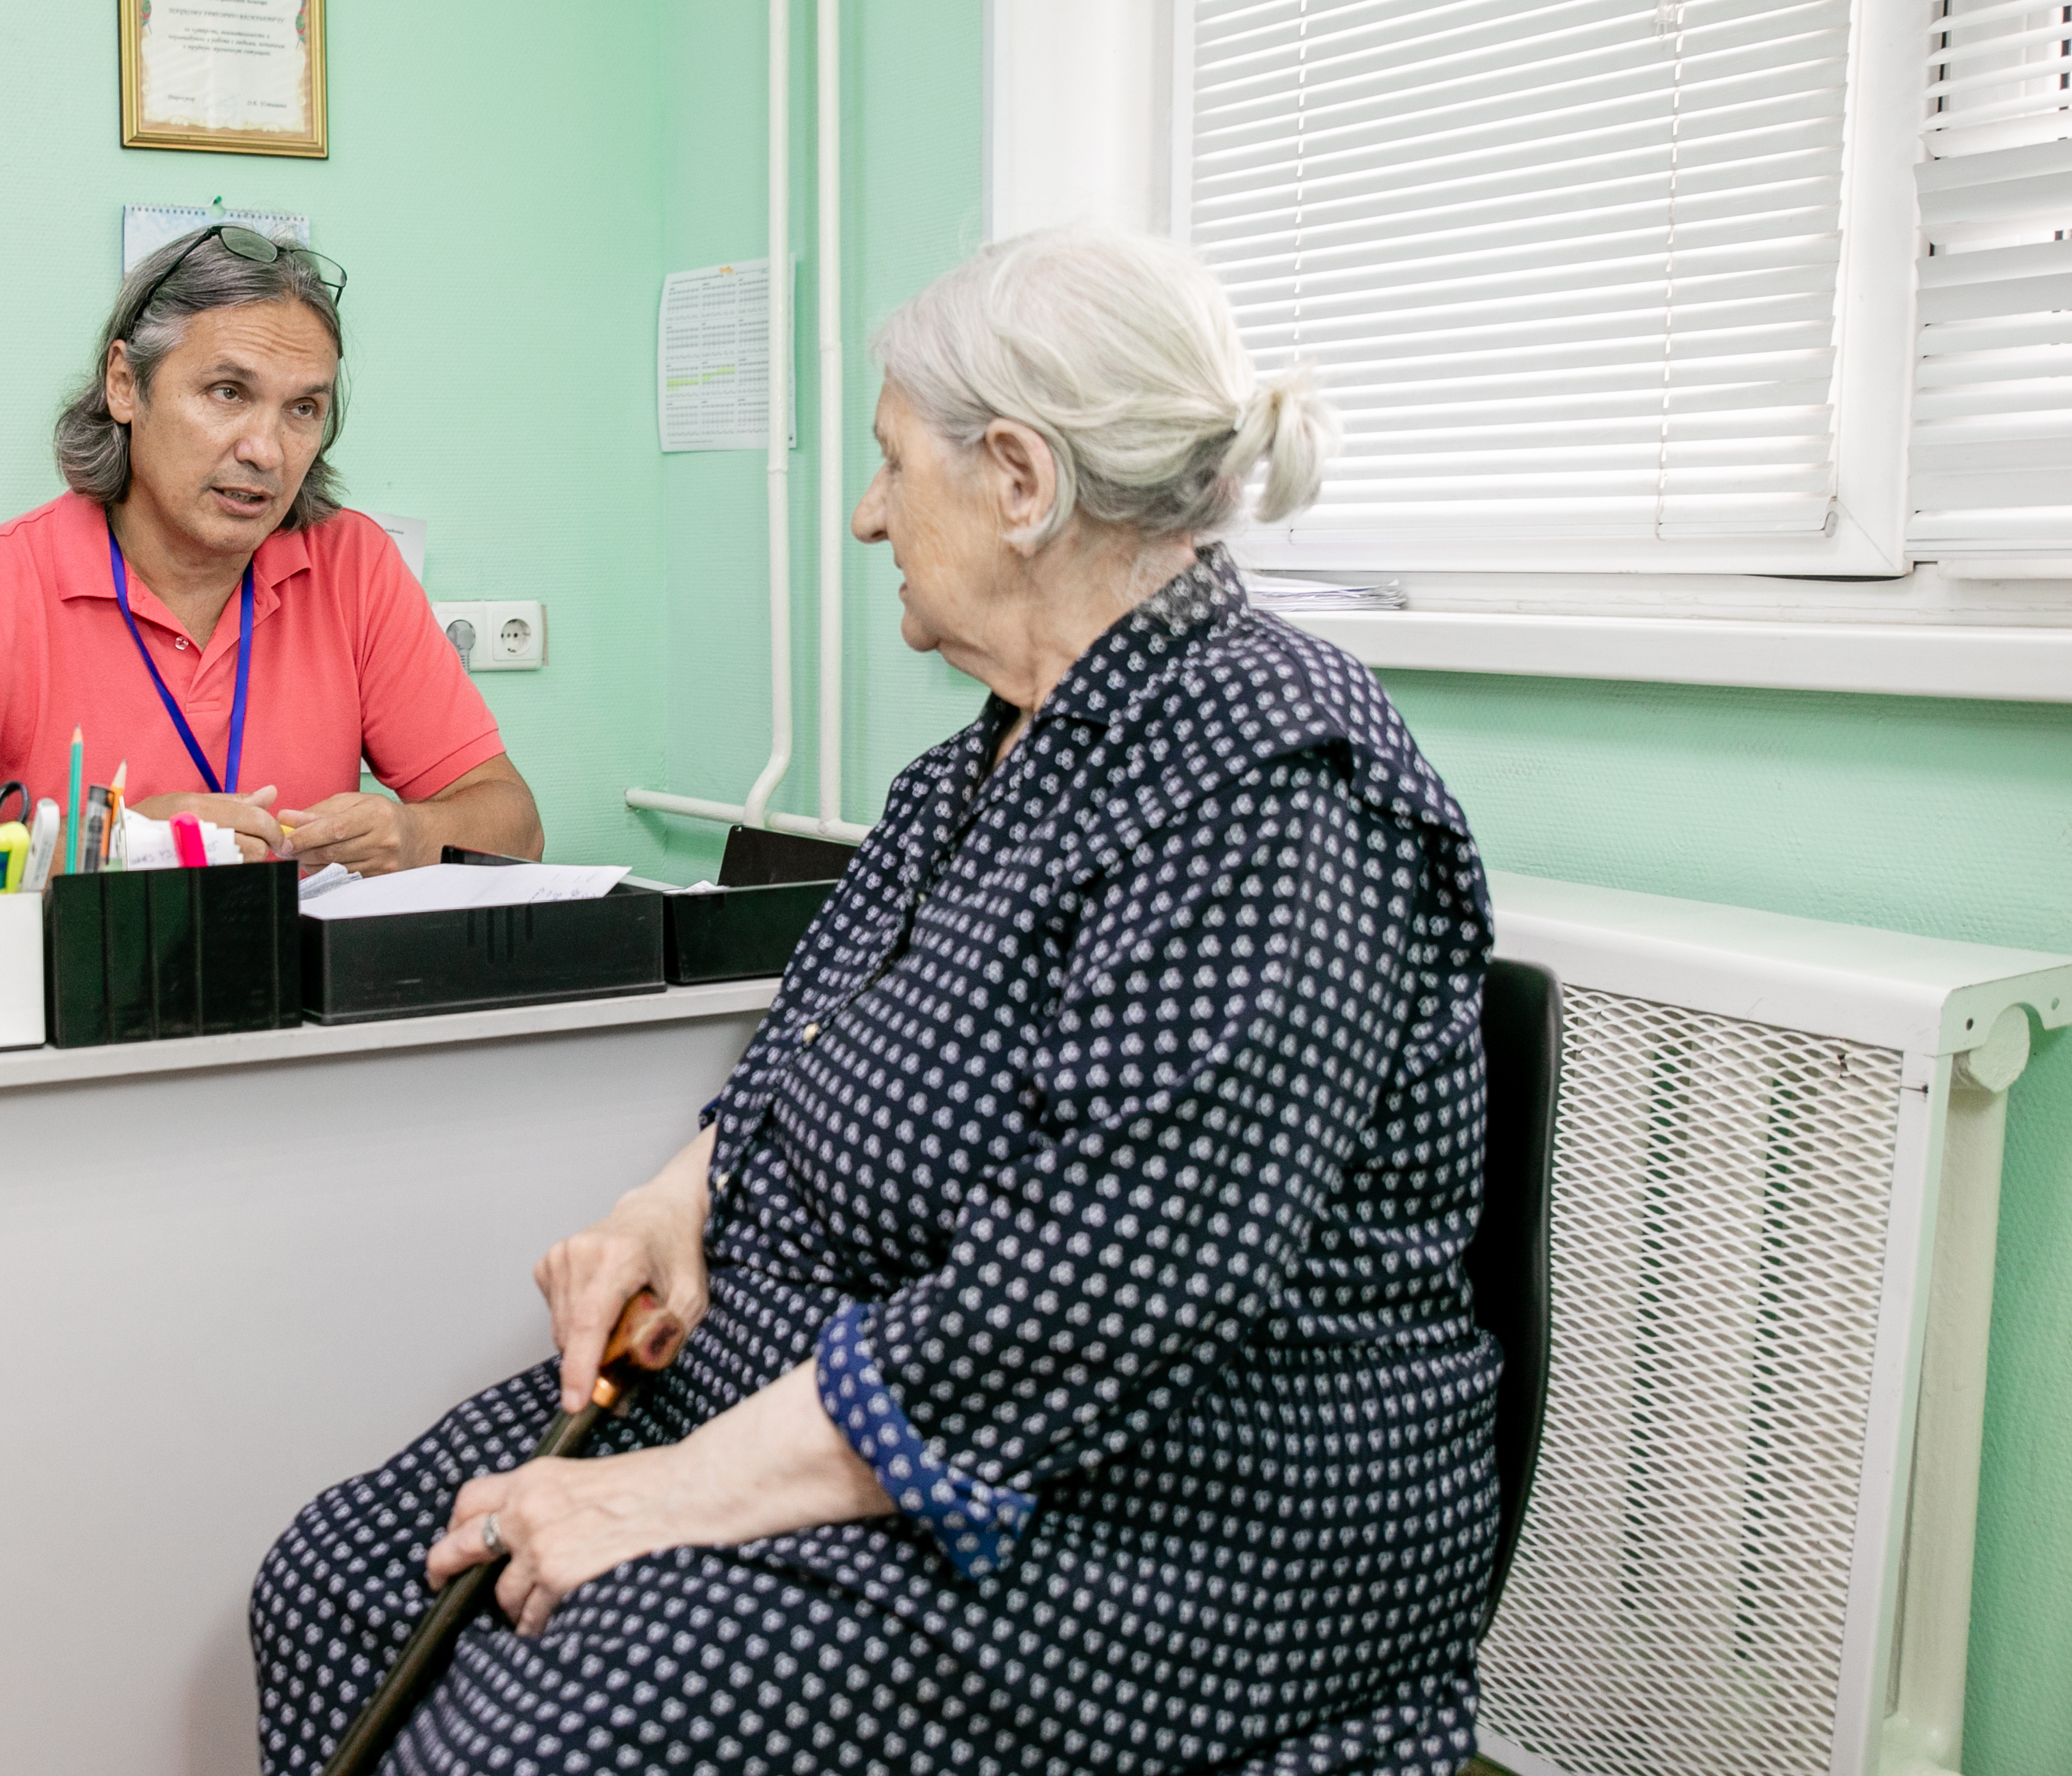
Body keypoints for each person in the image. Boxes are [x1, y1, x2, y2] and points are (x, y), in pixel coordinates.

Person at [252, 226, 1501, 1775]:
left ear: (1020, 483)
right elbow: (796, 1055)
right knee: (330, 1582)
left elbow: (1083, 1303)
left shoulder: (1271, 789)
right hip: (814, 1394)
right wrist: (665, 1199)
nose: (862, 514)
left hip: (1153, 1519)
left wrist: (655, 1493)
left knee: (524, 1747)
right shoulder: (974, 765)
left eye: (887, 463)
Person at [0, 226, 542, 882]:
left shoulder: (352, 565)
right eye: (227, 392)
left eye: (303, 410)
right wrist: (115, 847)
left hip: (297, 1008)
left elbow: (514, 822)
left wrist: (414, 836)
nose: (266, 451)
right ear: (124, 385)